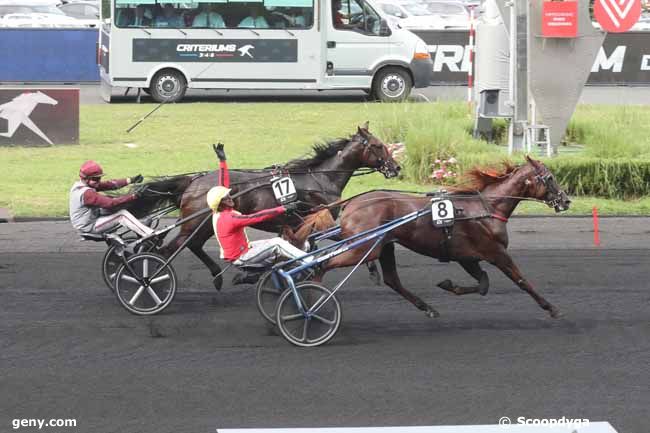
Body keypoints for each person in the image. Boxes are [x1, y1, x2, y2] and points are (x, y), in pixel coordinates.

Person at [206, 144, 311, 269]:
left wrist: (222, 161)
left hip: (246, 248)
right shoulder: (229, 219)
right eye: (226, 198)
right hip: (242, 257)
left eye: (228, 195)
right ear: (221, 203)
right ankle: (310, 261)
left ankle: (290, 266)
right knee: (277, 243)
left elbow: (222, 184)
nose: (230, 197)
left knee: (283, 244)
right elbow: (257, 217)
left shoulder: (219, 212)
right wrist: (283, 208)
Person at [69, 160, 152, 242]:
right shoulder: (87, 193)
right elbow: (110, 203)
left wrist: (130, 180)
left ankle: (140, 225)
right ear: (86, 179)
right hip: (89, 226)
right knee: (122, 215)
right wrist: (134, 196)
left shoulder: (84, 184)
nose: (99, 181)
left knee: (119, 206)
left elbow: (110, 184)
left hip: (90, 218)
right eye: (96, 178)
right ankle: (149, 234)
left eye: (100, 178)